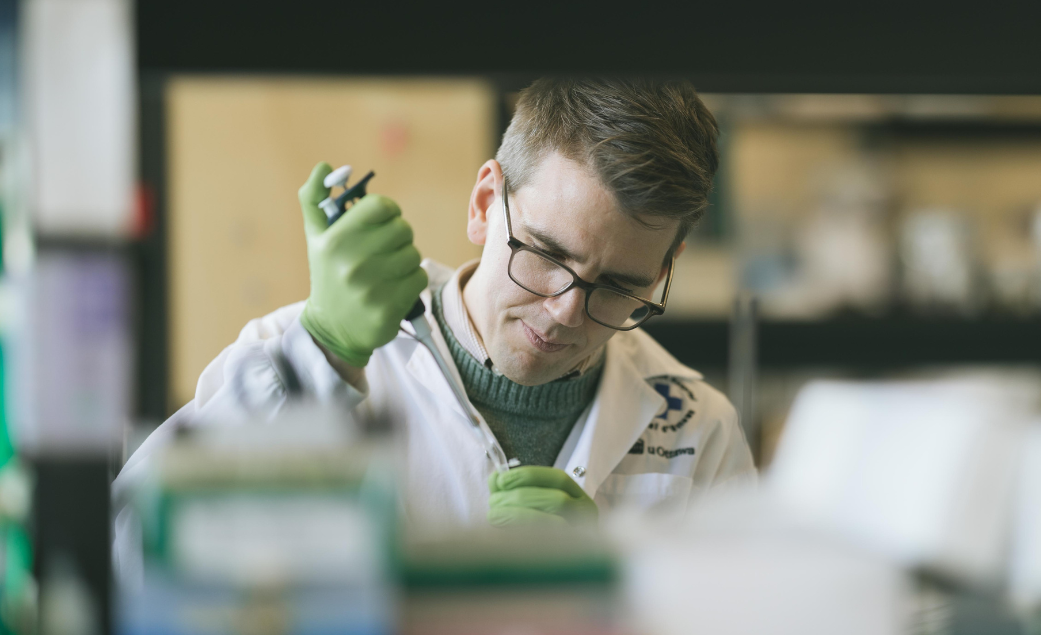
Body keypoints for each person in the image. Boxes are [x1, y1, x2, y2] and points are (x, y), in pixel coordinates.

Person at [116, 77, 756, 529]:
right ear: (485, 204)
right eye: (546, 254)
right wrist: (322, 356)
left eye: (618, 286)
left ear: (662, 270)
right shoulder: (299, 358)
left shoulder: (698, 429)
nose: (565, 312)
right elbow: (123, 556)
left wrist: (610, 585)